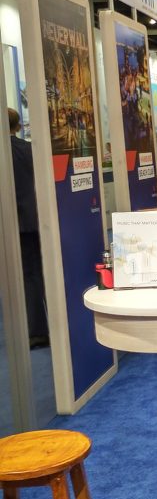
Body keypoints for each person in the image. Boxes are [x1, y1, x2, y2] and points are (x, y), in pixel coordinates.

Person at [7, 108, 49, 348]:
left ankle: (37, 331)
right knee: (40, 273)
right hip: (36, 219)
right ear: (18, 126)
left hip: (15, 223)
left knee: (29, 275)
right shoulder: (29, 150)